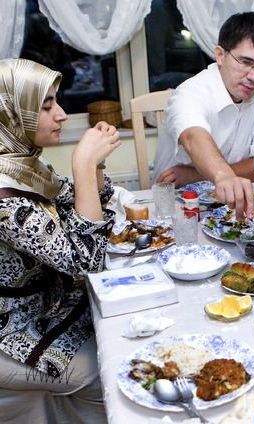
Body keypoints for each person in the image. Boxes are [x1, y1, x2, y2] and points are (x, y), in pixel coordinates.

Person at [0, 58, 120, 422]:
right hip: (13, 327)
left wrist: (95, 165)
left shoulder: (23, 164)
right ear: (11, 114)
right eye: (47, 105)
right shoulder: (7, 201)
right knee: (113, 374)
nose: (63, 114)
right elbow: (88, 261)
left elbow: (85, 201)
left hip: (47, 302)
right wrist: (82, 164)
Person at [153, 11, 254, 218]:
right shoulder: (191, 92)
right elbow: (194, 137)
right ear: (220, 55)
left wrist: (195, 175)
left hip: (232, 202)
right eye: (246, 62)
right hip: (178, 206)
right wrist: (222, 176)